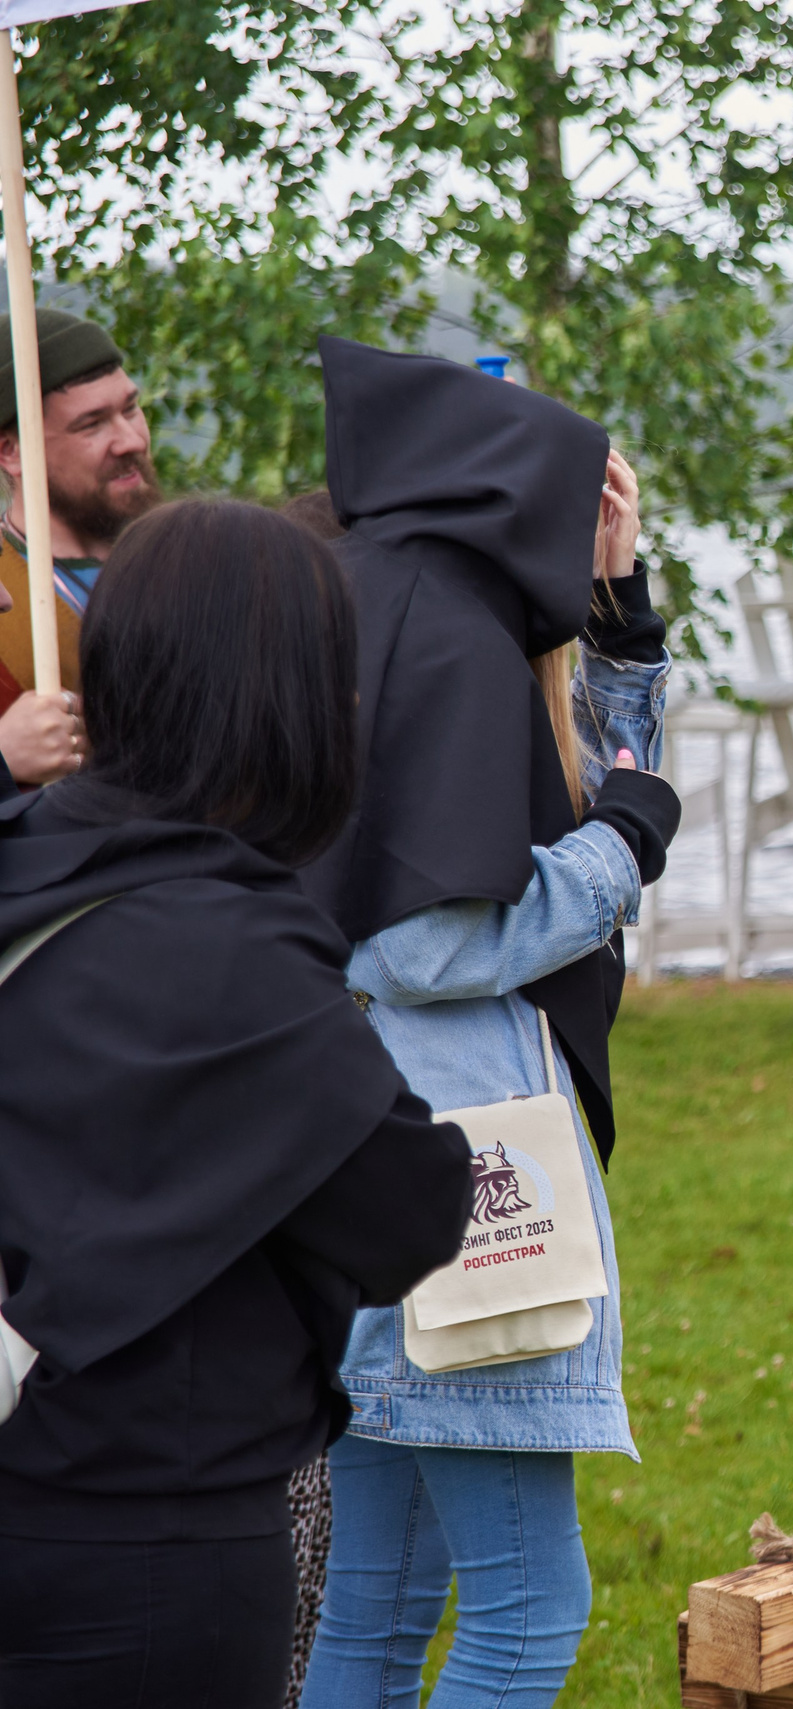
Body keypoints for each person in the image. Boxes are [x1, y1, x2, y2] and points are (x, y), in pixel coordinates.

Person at [0, 499, 473, 1707]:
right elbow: (406, 1211)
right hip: (143, 1530)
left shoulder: (23, 861)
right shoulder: (231, 945)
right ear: (294, 698)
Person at [297, 338, 681, 1708]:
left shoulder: (367, 597)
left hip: (352, 1157)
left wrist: (619, 608)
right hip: (462, 1171)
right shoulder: (446, 636)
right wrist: (621, 851)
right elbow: (423, 936)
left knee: (380, 1603)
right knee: (529, 1611)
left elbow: (573, 755)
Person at [0, 308, 159, 789]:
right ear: (11, 451)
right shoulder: (3, 595)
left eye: (130, 408)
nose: (130, 440)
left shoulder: (197, 563)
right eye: (92, 424)